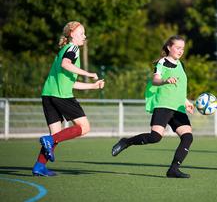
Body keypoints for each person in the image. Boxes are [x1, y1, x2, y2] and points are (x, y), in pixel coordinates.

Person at [111, 35, 194, 178]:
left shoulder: (181, 64)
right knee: (155, 137)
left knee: (187, 137)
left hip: (178, 107)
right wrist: (165, 80)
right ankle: (126, 142)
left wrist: (186, 102)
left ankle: (173, 169)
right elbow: (155, 80)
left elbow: (179, 87)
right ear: (169, 47)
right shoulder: (163, 62)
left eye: (183, 48)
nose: (181, 51)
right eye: (178, 48)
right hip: (164, 104)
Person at [32, 21, 105, 176]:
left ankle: (39, 166)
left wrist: (92, 86)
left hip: (48, 95)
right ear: (72, 34)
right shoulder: (73, 48)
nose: (84, 36)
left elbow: (70, 83)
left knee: (55, 135)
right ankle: (48, 142)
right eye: (81, 33)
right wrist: (89, 74)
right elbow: (66, 64)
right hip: (61, 96)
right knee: (84, 127)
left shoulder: (63, 50)